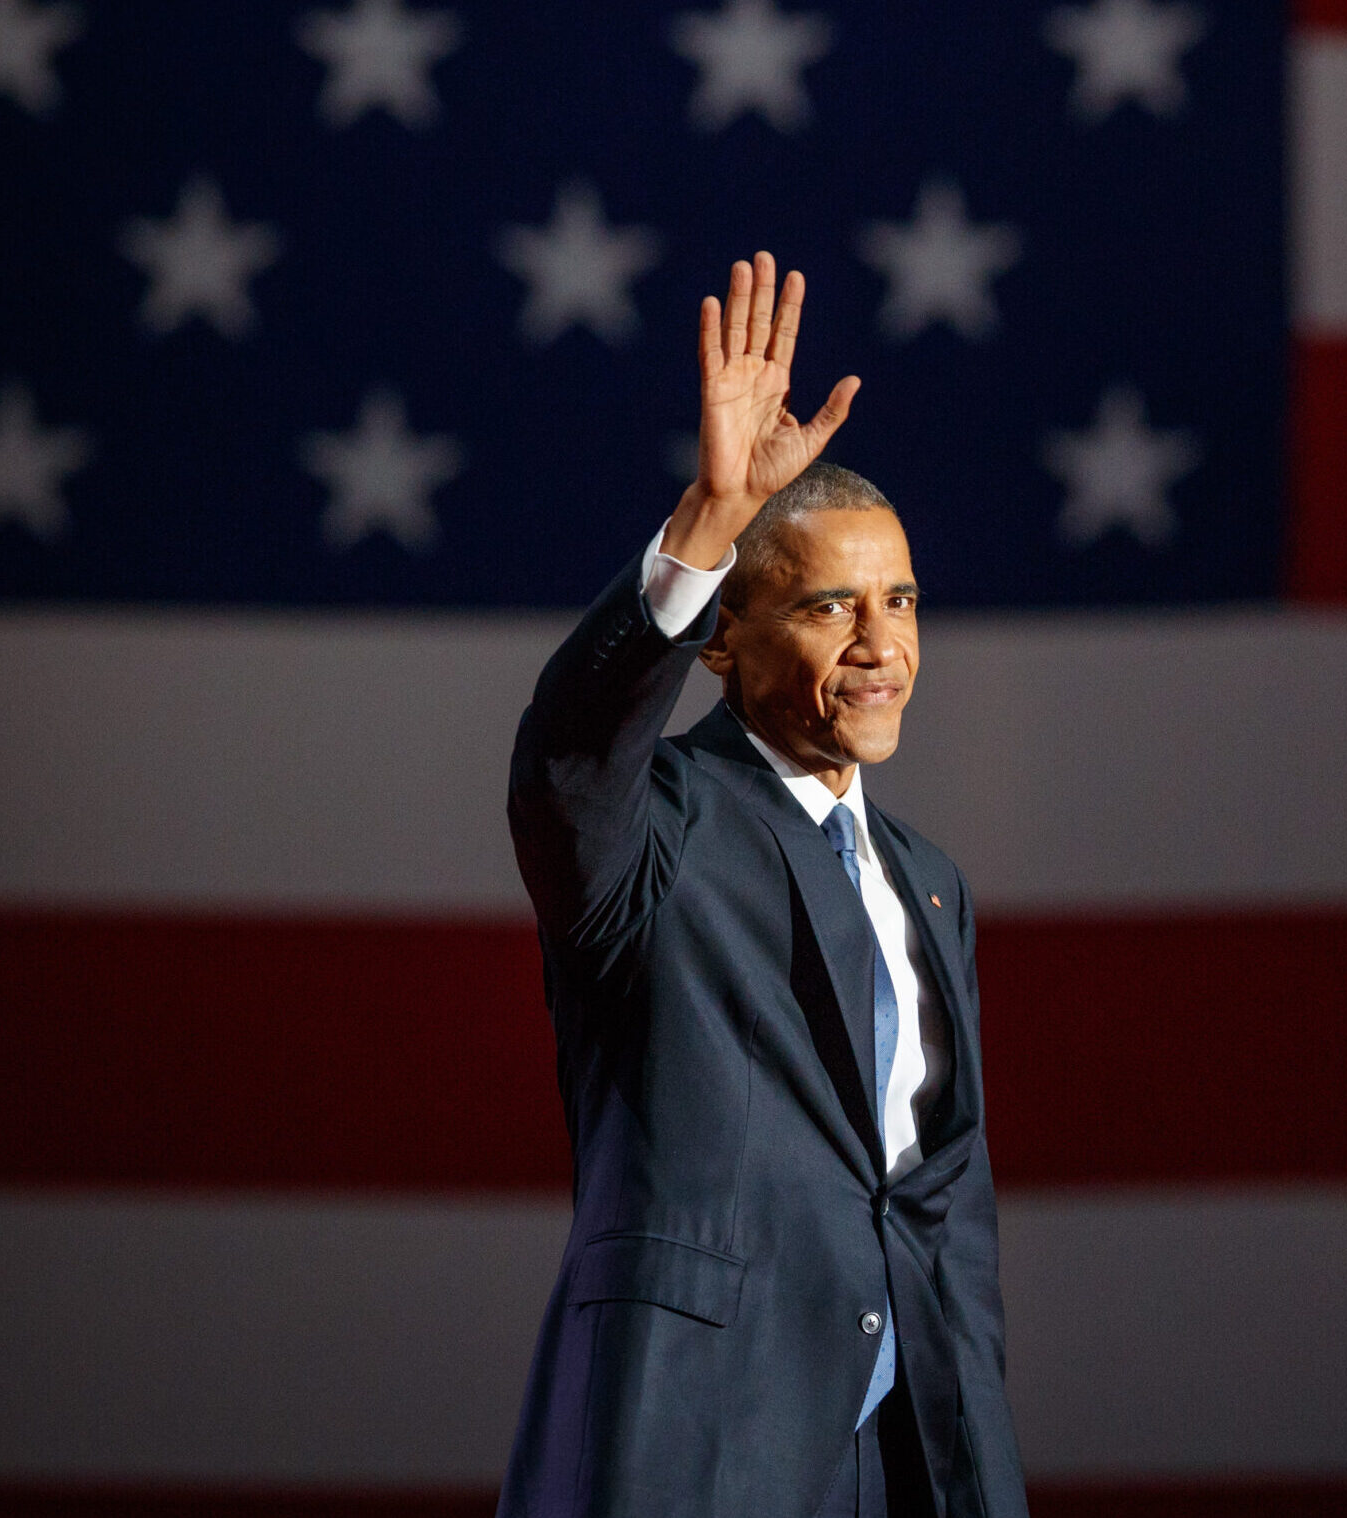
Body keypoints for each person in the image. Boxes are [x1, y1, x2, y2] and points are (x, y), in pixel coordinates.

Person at [498, 252, 1027, 1518]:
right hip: (701, 1448)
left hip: (911, 1461)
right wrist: (709, 528)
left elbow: (939, 1214)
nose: (882, 644)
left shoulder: (929, 884)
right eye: (832, 606)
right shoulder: (657, 830)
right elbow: (569, 758)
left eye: (900, 599)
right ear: (724, 641)